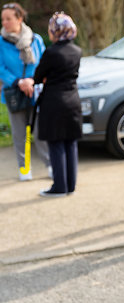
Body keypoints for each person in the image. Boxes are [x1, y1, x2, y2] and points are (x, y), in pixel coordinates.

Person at [27, 12, 82, 197]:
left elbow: (37, 76)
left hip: (54, 101)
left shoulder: (51, 52)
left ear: (56, 31)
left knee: (56, 142)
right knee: (70, 143)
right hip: (73, 100)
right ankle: (70, 185)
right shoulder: (77, 50)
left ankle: (59, 187)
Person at [0, 2, 50, 181]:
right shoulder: (1, 42)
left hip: (35, 90)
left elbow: (43, 62)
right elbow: (1, 68)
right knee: (20, 133)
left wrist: (31, 80)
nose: (4, 22)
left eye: (8, 19)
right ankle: (24, 168)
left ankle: (49, 165)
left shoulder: (35, 39)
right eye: (3, 19)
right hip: (14, 92)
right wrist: (19, 81)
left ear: (19, 19)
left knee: (40, 131)